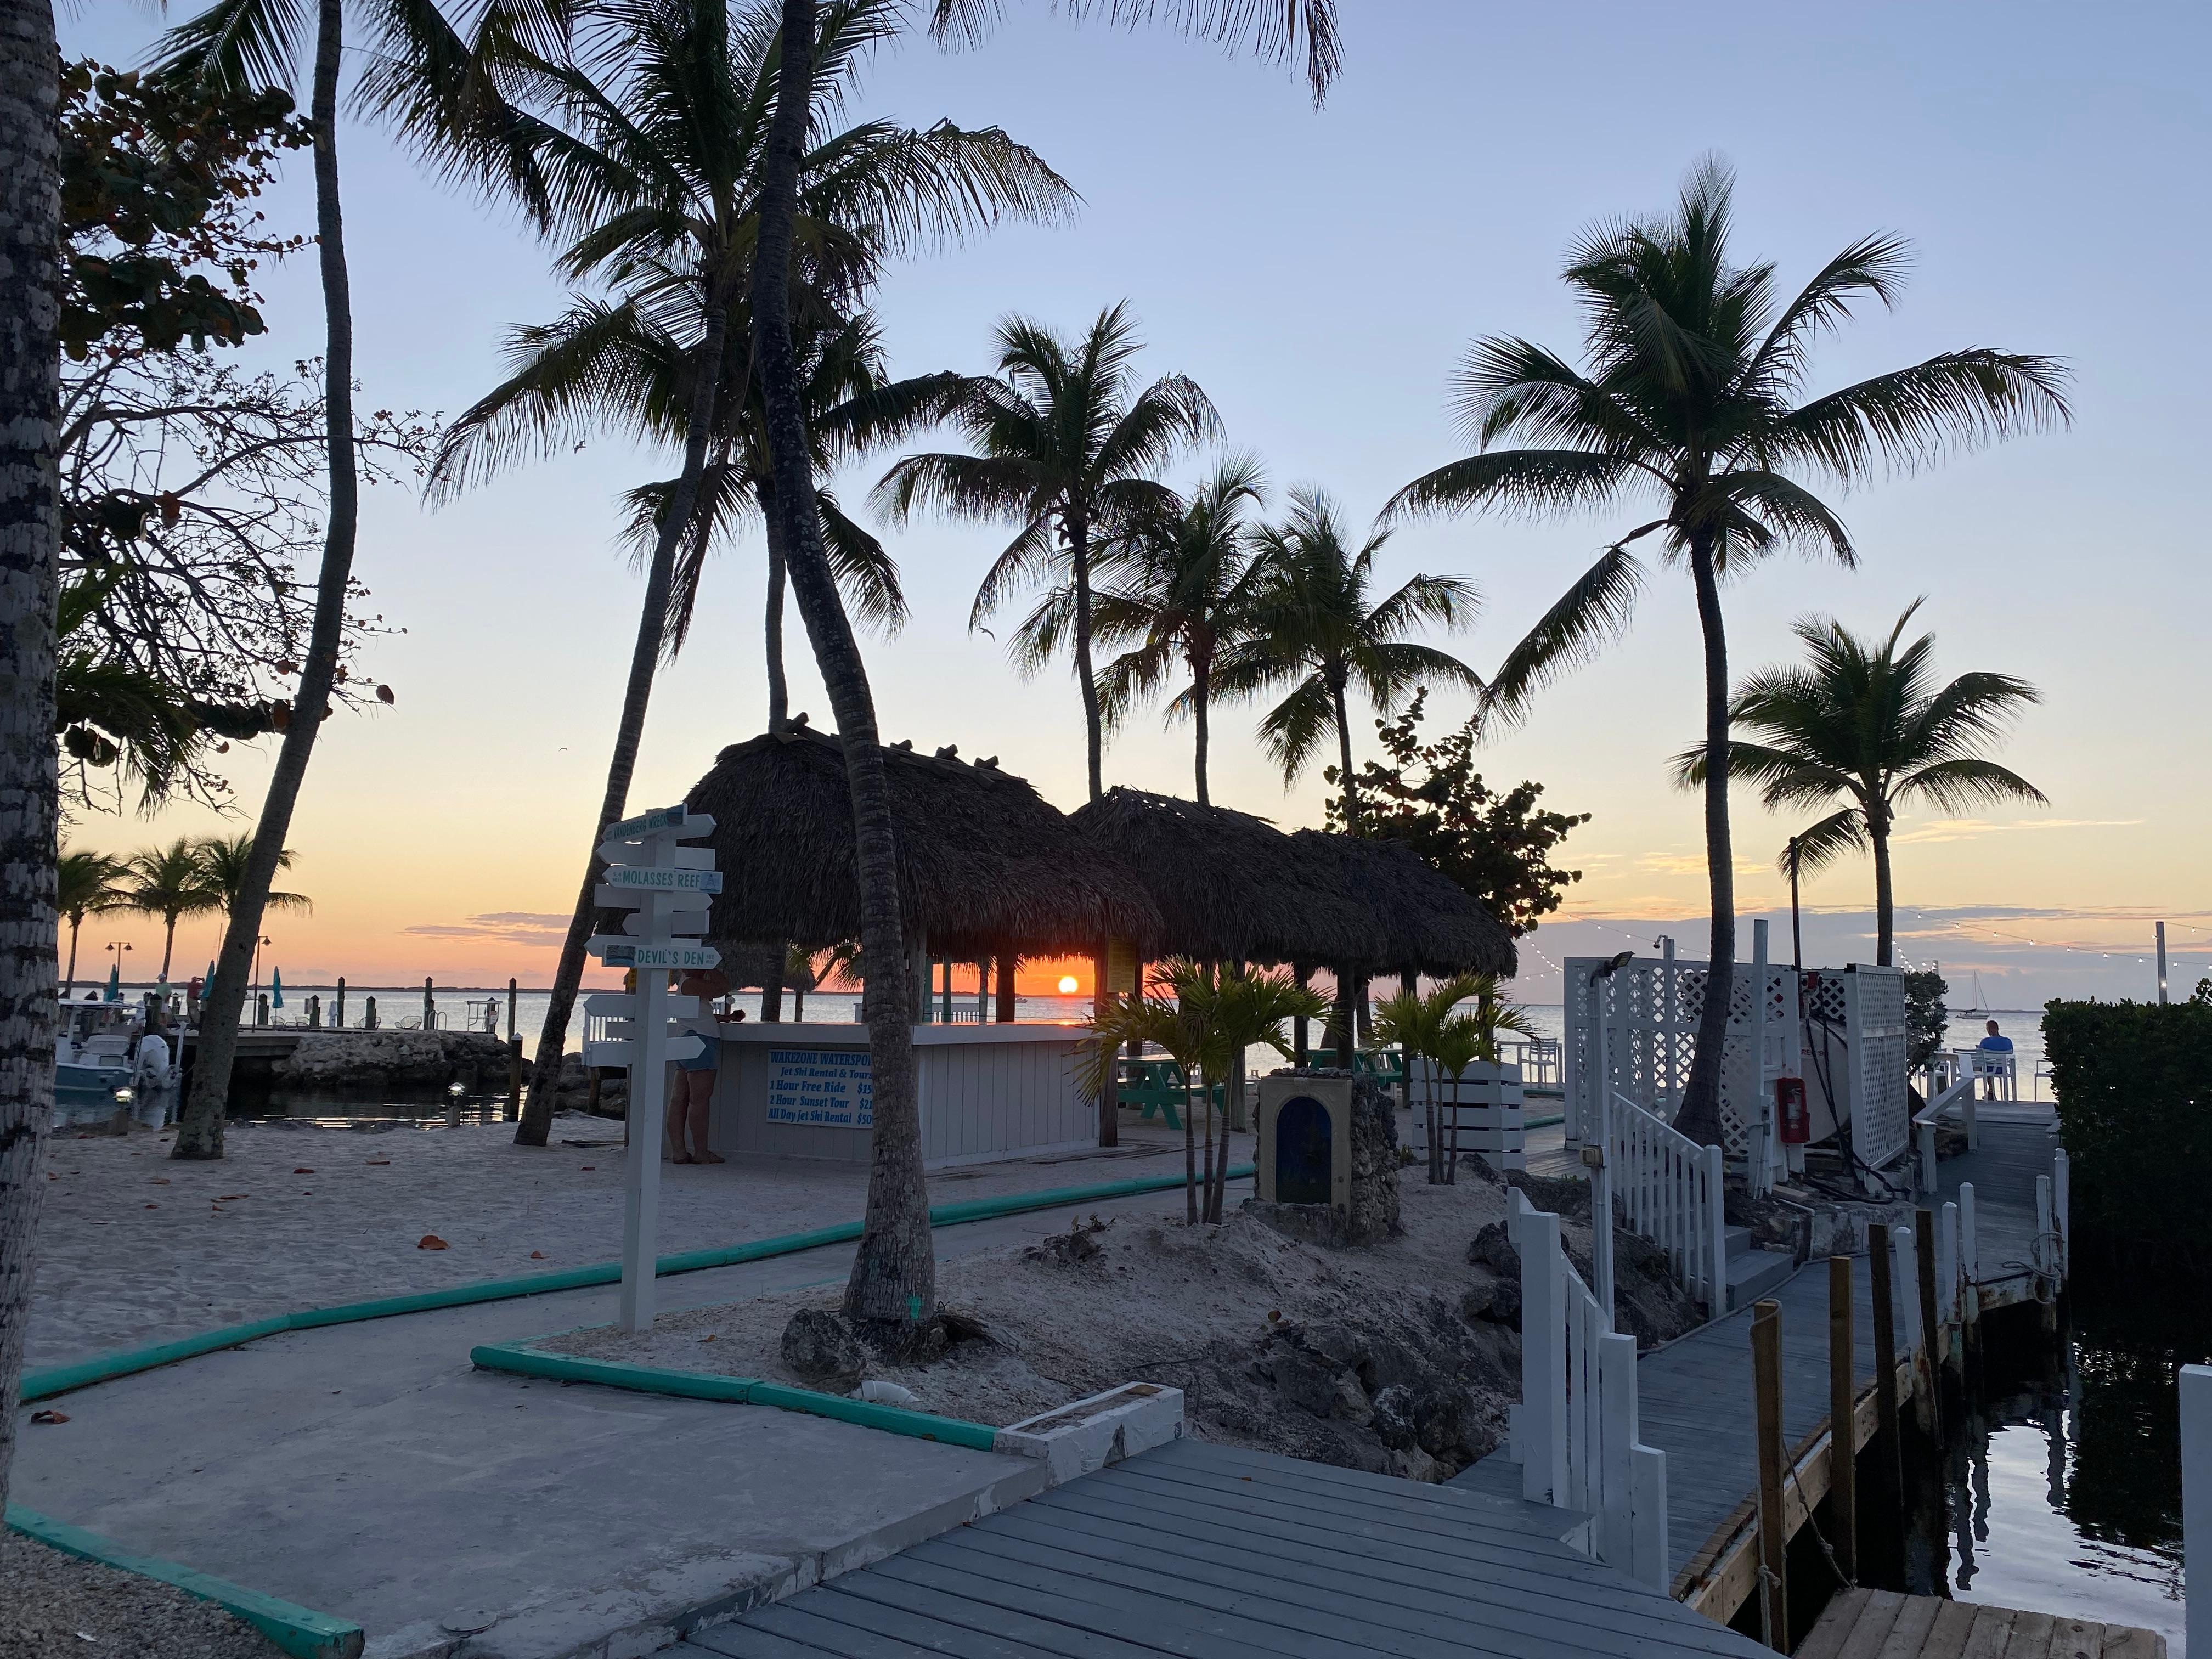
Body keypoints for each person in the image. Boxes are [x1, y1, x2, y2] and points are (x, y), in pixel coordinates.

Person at [668, 968, 733, 1164]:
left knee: (679, 1100)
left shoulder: (685, 985)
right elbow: (722, 988)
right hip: (700, 1042)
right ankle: (701, 1153)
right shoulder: (690, 984)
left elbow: (699, 1015)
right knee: (699, 1101)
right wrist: (712, 968)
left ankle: (679, 1152)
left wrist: (727, 1018)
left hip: (685, 1039)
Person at [1975, 1018, 2015, 1099]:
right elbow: (2011, 1053)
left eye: (1988, 1029)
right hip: (2002, 1069)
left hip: (1988, 1069)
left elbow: (1978, 1055)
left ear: (1990, 1029)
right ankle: (1991, 1092)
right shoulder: (2008, 1041)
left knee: (1974, 1067)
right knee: (1987, 1065)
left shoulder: (1985, 1041)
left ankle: (1969, 1093)